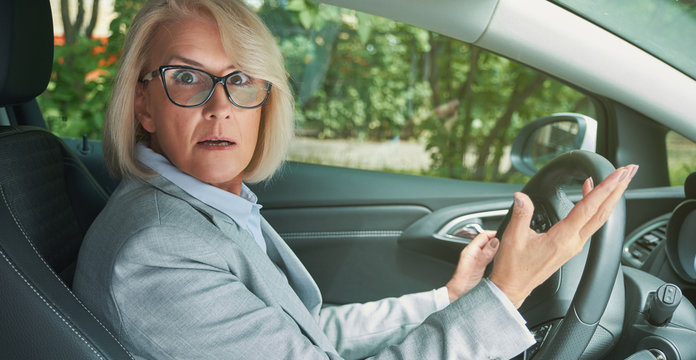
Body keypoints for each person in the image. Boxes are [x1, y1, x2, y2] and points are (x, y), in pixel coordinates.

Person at [72, 0, 638, 359]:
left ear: (265, 100)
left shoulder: (207, 208)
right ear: (144, 105)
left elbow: (306, 334)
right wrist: (507, 292)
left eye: (241, 79)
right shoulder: (159, 251)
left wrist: (453, 297)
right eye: (187, 77)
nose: (220, 105)